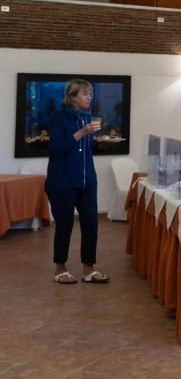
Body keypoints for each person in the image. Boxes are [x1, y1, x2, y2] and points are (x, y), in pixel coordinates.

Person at [46, 79, 109, 284]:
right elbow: (56, 149)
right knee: (64, 225)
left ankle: (89, 269)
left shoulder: (88, 117)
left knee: (91, 224)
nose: (89, 97)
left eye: (90, 94)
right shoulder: (59, 117)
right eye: (85, 94)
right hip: (63, 181)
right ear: (73, 97)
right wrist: (81, 133)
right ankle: (60, 269)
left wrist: (100, 144)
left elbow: (84, 150)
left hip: (87, 181)